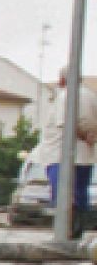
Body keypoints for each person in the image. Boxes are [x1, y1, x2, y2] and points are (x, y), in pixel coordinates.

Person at [39, 68, 97, 233]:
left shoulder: (65, 96)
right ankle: (77, 234)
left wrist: (83, 135)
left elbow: (66, 124)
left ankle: (65, 236)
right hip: (85, 157)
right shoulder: (92, 96)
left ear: (63, 80)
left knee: (63, 200)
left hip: (61, 157)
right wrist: (90, 137)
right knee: (80, 196)